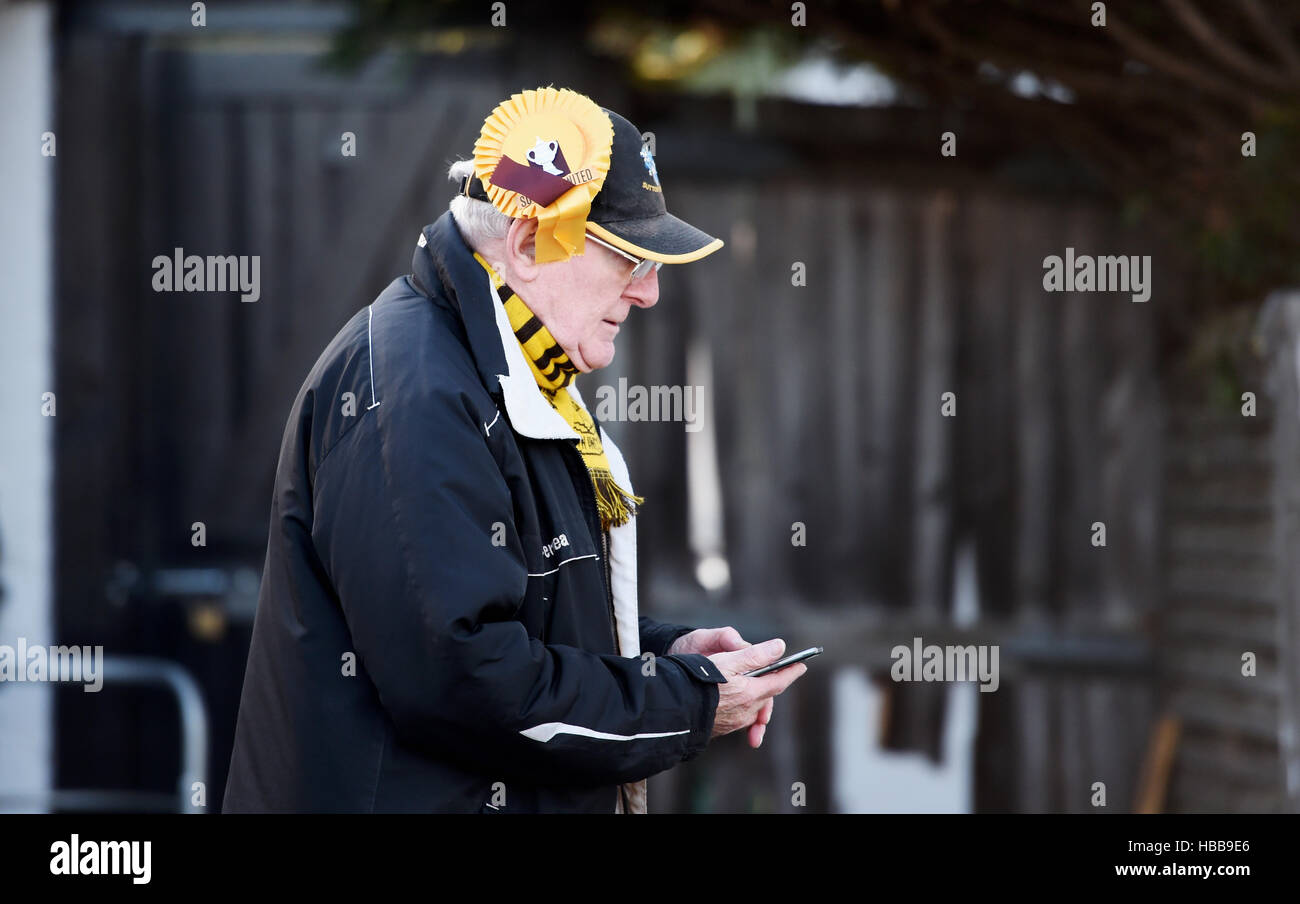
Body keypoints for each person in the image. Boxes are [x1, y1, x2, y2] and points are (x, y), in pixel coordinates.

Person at [222, 87, 806, 814]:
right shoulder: (421, 394)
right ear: (529, 245)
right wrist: (683, 703)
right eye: (629, 258)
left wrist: (666, 656)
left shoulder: (503, 375)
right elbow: (467, 682)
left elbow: (525, 617)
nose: (650, 292)